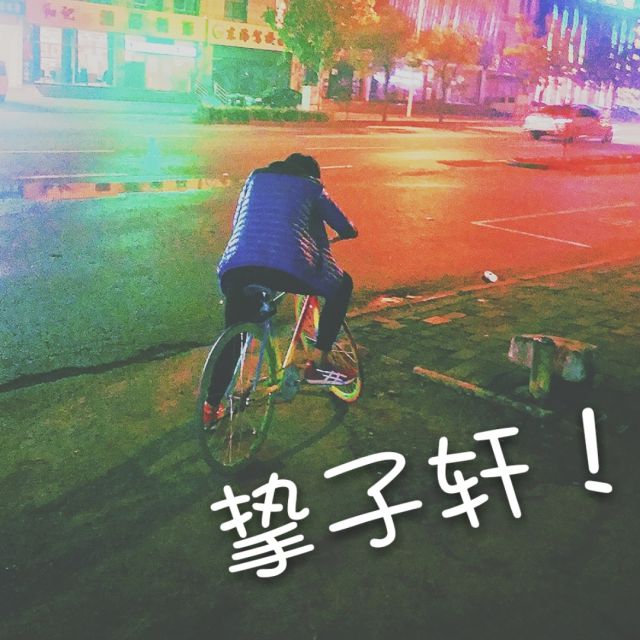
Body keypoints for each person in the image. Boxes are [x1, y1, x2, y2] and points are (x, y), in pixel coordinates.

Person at [203, 153, 358, 426]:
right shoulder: (312, 187)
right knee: (342, 285)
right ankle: (318, 361)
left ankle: (210, 406)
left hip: (236, 266)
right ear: (311, 175)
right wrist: (348, 232)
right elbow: (344, 225)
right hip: (286, 268)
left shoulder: (254, 180)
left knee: (235, 336)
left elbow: (240, 222)